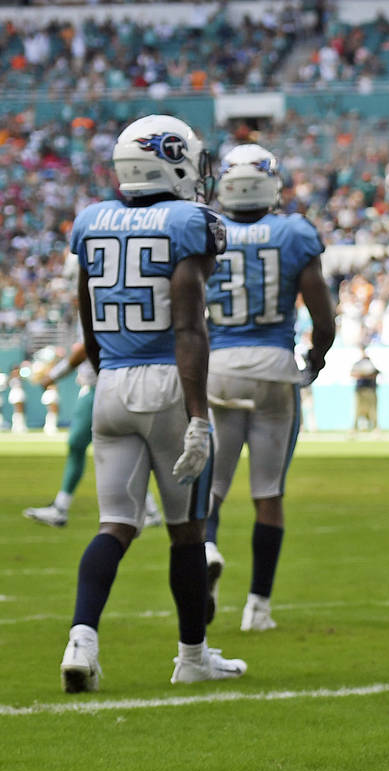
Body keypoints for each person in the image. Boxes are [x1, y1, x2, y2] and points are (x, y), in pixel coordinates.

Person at [61, 114, 246, 692]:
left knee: (114, 525)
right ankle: (193, 657)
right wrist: (198, 417)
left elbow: (88, 320)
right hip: (168, 382)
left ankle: (81, 641)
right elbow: (189, 327)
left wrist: (106, 377)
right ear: (173, 161)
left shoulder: (91, 220)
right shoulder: (189, 222)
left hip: (111, 383)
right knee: (187, 532)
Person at [201, 143, 335, 632]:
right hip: (274, 365)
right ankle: (257, 607)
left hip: (219, 363)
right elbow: (323, 317)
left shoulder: (204, 229)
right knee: (268, 493)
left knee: (210, 487)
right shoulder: (294, 231)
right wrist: (316, 358)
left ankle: (207, 547)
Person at [24, 339, 162, 528]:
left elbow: (84, 348)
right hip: (117, 385)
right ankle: (150, 510)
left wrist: (53, 375)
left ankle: (61, 508)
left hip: (101, 388)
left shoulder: (90, 318)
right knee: (120, 451)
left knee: (85, 446)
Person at [350, 350, 379, 433]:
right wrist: (365, 374)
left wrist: (365, 374)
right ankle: (354, 429)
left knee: (372, 411)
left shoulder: (371, 364)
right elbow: (353, 374)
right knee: (358, 410)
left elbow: (375, 373)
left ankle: (375, 428)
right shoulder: (358, 364)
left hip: (370, 389)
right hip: (360, 390)